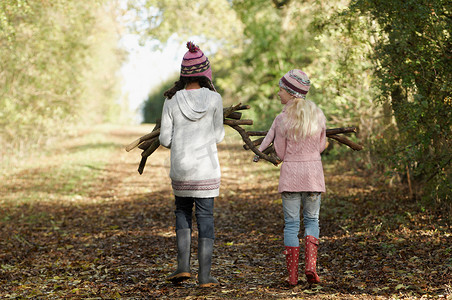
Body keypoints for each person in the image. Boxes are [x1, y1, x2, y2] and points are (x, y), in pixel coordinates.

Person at [159, 41, 225, 288]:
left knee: (183, 212)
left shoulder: (171, 100)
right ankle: (205, 276)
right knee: (206, 217)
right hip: (206, 168)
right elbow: (218, 136)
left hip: (181, 169)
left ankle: (182, 267)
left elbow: (165, 139)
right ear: (205, 74)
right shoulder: (215, 99)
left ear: (183, 74)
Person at [254, 69, 326, 286]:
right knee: (312, 220)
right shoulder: (317, 114)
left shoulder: (282, 119)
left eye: (281, 90)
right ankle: (311, 267)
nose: (278, 93)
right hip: (313, 175)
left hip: (291, 176)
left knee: (292, 224)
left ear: (291, 93)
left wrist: (263, 151)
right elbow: (321, 146)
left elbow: (282, 153)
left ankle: (292, 275)